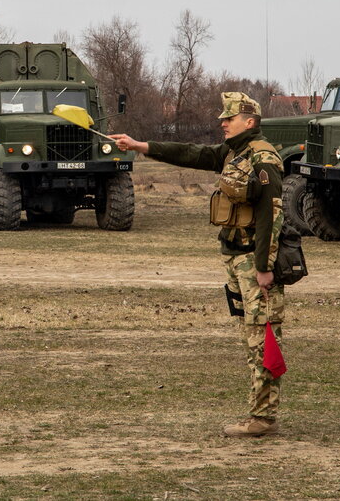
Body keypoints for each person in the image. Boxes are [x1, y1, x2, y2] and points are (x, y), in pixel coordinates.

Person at [110, 92, 285, 437]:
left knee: (262, 338)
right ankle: (259, 413)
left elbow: (271, 216)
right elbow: (192, 153)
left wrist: (264, 267)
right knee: (250, 335)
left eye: (229, 118)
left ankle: (262, 418)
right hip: (236, 256)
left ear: (249, 121)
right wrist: (140, 145)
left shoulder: (263, 157)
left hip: (253, 259)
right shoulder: (234, 152)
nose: (222, 123)